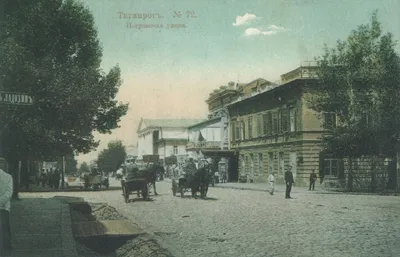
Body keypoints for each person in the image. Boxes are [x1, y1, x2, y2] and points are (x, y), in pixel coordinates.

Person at [0, 166, 13, 255]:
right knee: (5, 226)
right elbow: (9, 192)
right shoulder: (8, 177)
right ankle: (6, 245)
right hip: (4, 207)